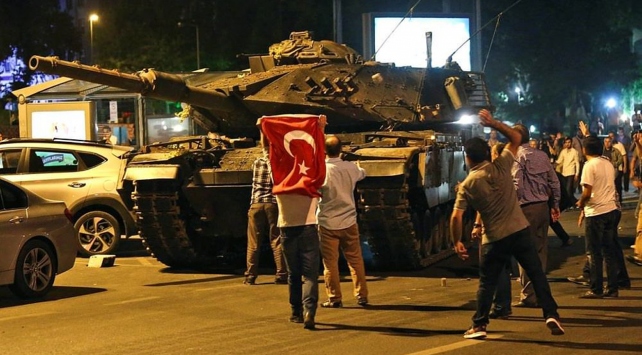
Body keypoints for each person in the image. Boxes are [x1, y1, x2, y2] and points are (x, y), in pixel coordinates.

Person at [451, 109, 564, 339]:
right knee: (536, 273)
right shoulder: (502, 166)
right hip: (520, 230)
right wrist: (494, 123)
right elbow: (516, 138)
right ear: (487, 154)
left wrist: (457, 241)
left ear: (468, 158)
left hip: (494, 237)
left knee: (487, 283)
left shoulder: (468, 185)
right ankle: (551, 313)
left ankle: (479, 324)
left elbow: (456, 217)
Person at [259, 114, 327, 331]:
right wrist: (321, 129)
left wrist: (264, 130)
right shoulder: (312, 180)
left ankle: (295, 311)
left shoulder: (280, 181)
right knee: (310, 276)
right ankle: (310, 311)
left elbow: (269, 154)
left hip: (287, 231)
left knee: (293, 274)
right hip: (308, 230)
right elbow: (319, 157)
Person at [511, 123, 561, 308]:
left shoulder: (518, 157)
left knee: (524, 253)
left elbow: (517, 186)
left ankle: (529, 296)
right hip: (542, 208)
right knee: (540, 252)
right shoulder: (542, 155)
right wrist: (554, 204)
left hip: (526, 210)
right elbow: (554, 183)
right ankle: (540, 294)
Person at [317, 135, 369, 308]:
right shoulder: (350, 167)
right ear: (340, 149)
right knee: (355, 260)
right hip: (349, 221)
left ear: (324, 150)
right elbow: (362, 174)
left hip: (327, 223)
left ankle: (334, 297)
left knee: (330, 263)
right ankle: (361, 296)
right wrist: (358, 165)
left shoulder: (320, 169)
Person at [575, 121, 620, 298]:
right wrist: (587, 134)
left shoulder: (589, 166)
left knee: (594, 253)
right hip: (611, 210)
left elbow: (587, 192)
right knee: (608, 251)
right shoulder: (607, 162)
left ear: (585, 150)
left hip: (596, 213)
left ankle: (596, 288)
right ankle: (613, 288)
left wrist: (580, 203)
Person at [243, 137, 288, 286]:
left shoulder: (256, 163)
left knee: (253, 243)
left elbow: (264, 149)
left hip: (256, 204)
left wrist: (262, 130)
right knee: (276, 240)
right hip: (273, 205)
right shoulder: (279, 164)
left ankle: (250, 275)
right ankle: (281, 274)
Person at [555, 137, 580, 208]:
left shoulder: (574, 152)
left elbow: (577, 163)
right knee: (566, 191)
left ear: (571, 143)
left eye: (569, 142)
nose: (567, 144)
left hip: (571, 172)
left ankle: (576, 203)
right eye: (566, 142)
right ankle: (570, 204)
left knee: (568, 190)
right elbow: (559, 161)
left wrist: (577, 174)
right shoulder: (563, 151)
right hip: (564, 173)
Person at [603, 135, 624, 202]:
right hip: (604, 171)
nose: (607, 143)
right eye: (605, 141)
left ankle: (619, 201)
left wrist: (614, 164)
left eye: (609, 141)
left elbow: (621, 159)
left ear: (611, 142)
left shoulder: (615, 150)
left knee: (617, 186)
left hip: (614, 171)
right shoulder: (601, 151)